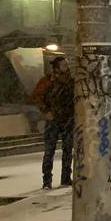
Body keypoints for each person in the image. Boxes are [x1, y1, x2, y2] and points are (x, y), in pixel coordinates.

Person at [32, 56, 75, 189]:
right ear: (56, 67)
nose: (66, 67)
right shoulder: (47, 81)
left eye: (67, 64)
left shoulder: (71, 81)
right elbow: (36, 96)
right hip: (54, 119)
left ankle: (66, 178)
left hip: (68, 119)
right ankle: (47, 181)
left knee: (68, 149)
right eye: (63, 65)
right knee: (49, 150)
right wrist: (46, 111)